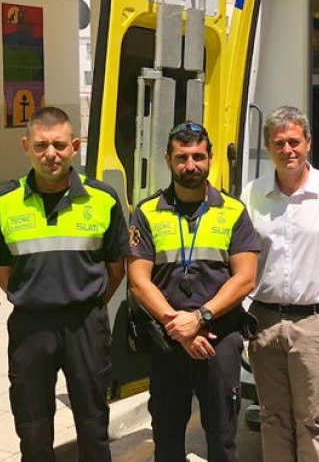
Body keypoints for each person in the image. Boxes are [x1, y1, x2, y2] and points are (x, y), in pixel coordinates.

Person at [0, 106, 126, 462]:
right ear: (26, 146)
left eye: (60, 145)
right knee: (33, 427)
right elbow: (2, 273)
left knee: (94, 425)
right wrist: (34, 295)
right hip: (31, 327)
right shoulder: (3, 204)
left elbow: (115, 268)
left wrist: (89, 302)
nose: (51, 154)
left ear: (75, 146)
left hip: (86, 326)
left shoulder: (103, 199)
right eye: (42, 145)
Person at [126, 122, 259, 462]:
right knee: (167, 436)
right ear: (168, 160)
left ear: (210, 158)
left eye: (198, 156)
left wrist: (200, 318)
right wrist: (180, 329)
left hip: (219, 338)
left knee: (222, 435)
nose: (191, 165)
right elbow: (139, 280)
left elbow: (245, 278)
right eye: (182, 157)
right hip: (168, 339)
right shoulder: (146, 212)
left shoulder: (233, 211)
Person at [240, 106, 319, 462]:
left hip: (315, 324)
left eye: (294, 141)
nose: (287, 150)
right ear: (267, 147)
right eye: (279, 143)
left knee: (311, 420)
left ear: (308, 143)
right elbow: (242, 257)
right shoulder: (253, 194)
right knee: (272, 417)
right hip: (265, 321)